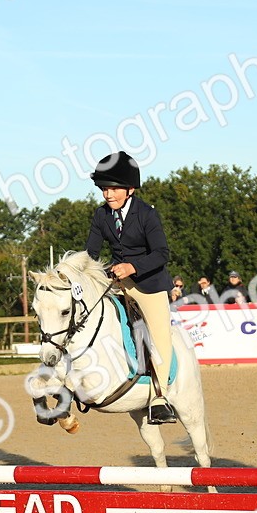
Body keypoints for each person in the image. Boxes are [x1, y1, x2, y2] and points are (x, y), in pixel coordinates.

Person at [85, 150, 177, 425]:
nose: (108, 195)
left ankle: (160, 397)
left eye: (113, 188)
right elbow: (90, 254)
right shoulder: (101, 216)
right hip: (116, 283)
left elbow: (162, 253)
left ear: (130, 189)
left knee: (158, 333)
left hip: (149, 284)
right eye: (104, 189)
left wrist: (132, 267)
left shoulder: (147, 215)